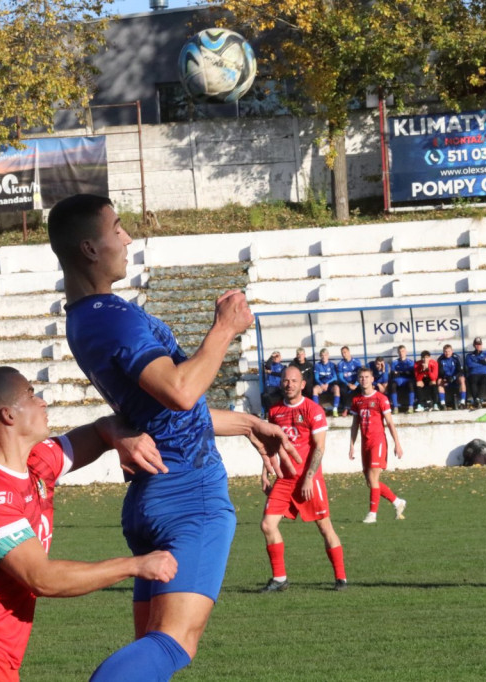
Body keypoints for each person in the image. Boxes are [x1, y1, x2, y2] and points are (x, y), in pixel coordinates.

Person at [47, 194, 300, 681]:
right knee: (173, 644)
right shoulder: (111, 317)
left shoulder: (88, 316)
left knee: (152, 652)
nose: (127, 237)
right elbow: (182, 392)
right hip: (190, 494)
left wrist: (249, 423)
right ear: (89, 249)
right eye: (117, 228)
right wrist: (225, 329)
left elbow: (166, 412)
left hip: (155, 492)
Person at [0, 366, 179, 681]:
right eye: (30, 395)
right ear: (8, 416)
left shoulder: (38, 463)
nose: (43, 402)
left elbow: (99, 432)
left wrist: (120, 436)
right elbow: (41, 578)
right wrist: (136, 566)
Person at [261, 367, 347, 592]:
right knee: (267, 525)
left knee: (324, 527)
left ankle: (341, 578)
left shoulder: (313, 409)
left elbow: (319, 447)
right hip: (285, 478)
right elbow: (271, 446)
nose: (289, 384)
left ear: (302, 385)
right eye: (285, 380)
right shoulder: (275, 411)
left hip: (309, 478)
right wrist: (265, 471)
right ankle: (279, 579)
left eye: (293, 381)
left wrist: (309, 477)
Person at [349, 368, 407, 524]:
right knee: (370, 482)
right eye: (361, 377)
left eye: (367, 377)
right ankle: (397, 502)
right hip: (365, 443)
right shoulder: (357, 400)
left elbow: (389, 422)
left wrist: (397, 444)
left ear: (372, 379)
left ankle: (372, 515)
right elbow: (355, 424)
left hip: (378, 442)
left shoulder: (381, 398)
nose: (364, 380)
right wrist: (352, 445)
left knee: (374, 479)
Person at [333, 346, 362, 417]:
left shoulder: (356, 362)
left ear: (349, 352)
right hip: (346, 382)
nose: (343, 354)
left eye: (345, 352)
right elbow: (340, 377)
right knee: (343, 389)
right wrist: (348, 384)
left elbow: (360, 374)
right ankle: (346, 408)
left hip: (356, 382)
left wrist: (356, 384)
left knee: (363, 388)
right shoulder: (340, 364)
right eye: (342, 353)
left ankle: (361, 407)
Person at [464, 337, 486, 408]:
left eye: (479, 344)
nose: (478, 346)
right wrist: (481, 363)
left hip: (484, 373)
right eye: (476, 344)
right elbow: (470, 365)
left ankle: (477, 399)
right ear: (474, 345)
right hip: (474, 373)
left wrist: (476, 362)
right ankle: (478, 400)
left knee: (483, 382)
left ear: (481, 345)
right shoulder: (470, 355)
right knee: (473, 382)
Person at [437, 344, 466, 409]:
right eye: (445, 351)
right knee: (439, 381)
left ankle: (462, 402)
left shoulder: (456, 357)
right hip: (446, 378)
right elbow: (440, 372)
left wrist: (454, 377)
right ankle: (442, 403)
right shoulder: (440, 359)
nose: (447, 353)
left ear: (452, 351)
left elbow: (460, 370)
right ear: (443, 352)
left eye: (449, 351)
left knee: (462, 379)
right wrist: (446, 377)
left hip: (455, 378)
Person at [388, 345, 416, 413]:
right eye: (400, 351)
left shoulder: (410, 362)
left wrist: (400, 372)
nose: (401, 353)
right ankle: (395, 407)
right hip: (398, 380)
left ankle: (411, 407)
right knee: (392, 385)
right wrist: (405, 372)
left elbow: (411, 373)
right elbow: (393, 374)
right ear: (398, 353)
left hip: (407, 379)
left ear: (406, 352)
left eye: (403, 351)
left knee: (411, 385)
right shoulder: (395, 362)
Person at [312, 348, 340, 414]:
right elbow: (316, 378)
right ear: (320, 356)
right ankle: (316, 410)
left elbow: (335, 377)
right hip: (321, 384)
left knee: (337, 388)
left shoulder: (332, 365)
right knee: (315, 389)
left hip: (330, 384)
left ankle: (335, 409)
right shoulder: (317, 365)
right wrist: (321, 384)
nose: (324, 357)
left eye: (325, 355)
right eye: (322, 355)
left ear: (328, 355)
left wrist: (327, 383)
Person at [261, 351, 285, 415]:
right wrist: (272, 356)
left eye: (277, 356)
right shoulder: (270, 366)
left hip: (279, 387)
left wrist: (271, 372)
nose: (275, 358)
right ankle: (270, 412)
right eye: (274, 357)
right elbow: (267, 365)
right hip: (271, 386)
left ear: (280, 358)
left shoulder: (283, 367)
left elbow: (281, 374)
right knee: (265, 395)